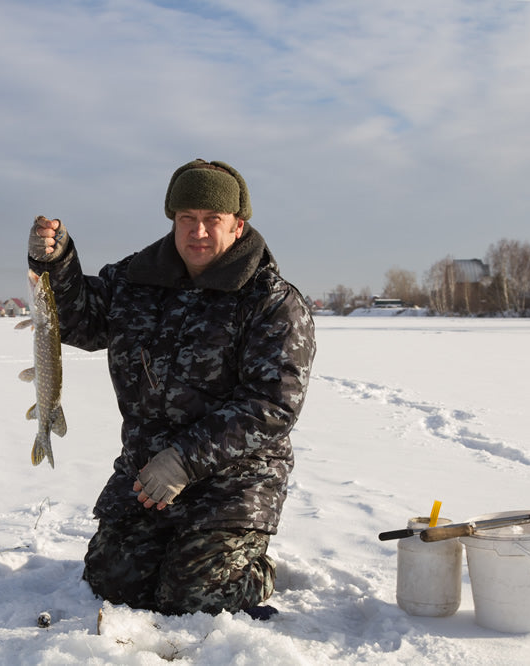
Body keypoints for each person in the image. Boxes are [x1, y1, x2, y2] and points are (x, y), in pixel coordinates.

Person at [26, 159, 315, 617]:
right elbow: (80, 321)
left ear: (237, 226)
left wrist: (184, 460)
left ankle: (250, 567)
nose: (197, 232)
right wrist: (56, 263)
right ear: (173, 220)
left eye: (211, 220)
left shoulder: (271, 300)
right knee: (114, 584)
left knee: (190, 598)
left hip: (232, 482)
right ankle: (179, 552)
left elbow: (272, 404)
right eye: (187, 219)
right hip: (146, 476)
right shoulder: (135, 280)